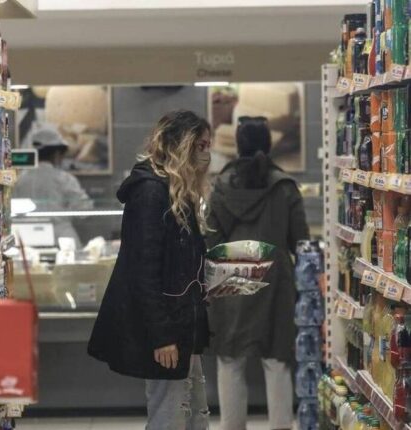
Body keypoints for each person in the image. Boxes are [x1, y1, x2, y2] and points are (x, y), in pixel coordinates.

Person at [87, 110, 212, 429]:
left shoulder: (177, 189)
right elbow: (143, 270)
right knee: (169, 417)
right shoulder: (151, 191)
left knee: (193, 416)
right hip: (168, 329)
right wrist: (162, 336)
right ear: (181, 146)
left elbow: (179, 261)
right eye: (200, 146)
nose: (207, 154)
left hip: (184, 324)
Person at [205, 118, 309, 430]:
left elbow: (211, 239)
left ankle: (232, 425)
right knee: (276, 360)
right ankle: (281, 425)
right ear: (269, 143)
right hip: (275, 278)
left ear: (238, 145)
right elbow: (301, 241)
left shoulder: (222, 185)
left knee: (230, 359)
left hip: (231, 272)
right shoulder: (285, 187)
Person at [13, 127, 94, 247]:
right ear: (56, 154)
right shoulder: (64, 179)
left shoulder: (19, 179)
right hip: (61, 241)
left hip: (27, 240)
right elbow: (84, 210)